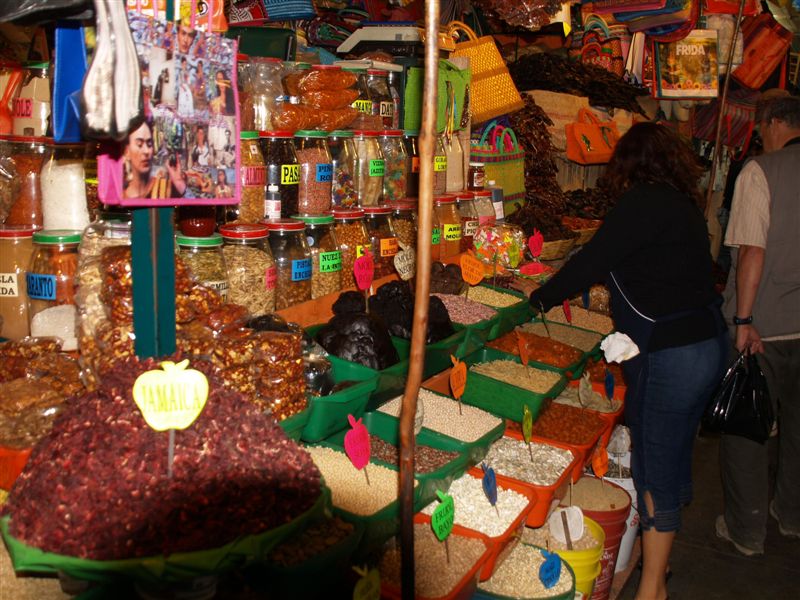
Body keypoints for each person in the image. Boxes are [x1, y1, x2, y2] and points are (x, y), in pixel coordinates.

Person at [528, 122, 727, 600]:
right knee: (674, 456)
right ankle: (660, 562)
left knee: (655, 467)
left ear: (628, 165)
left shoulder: (643, 203)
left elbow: (593, 261)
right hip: (707, 344)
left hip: (673, 354)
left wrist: (541, 298)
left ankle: (651, 588)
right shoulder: (681, 204)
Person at [717, 95, 800, 555]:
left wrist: (744, 318)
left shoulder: (761, 171)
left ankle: (746, 531)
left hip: (765, 327)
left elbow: (752, 250)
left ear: (772, 124)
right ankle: (792, 515)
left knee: (747, 427)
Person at [123, 121, 186, 200]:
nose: (146, 151)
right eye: (139, 144)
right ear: (127, 152)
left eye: (149, 144)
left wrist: (179, 183)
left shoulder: (165, 188)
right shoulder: (119, 198)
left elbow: (194, 203)